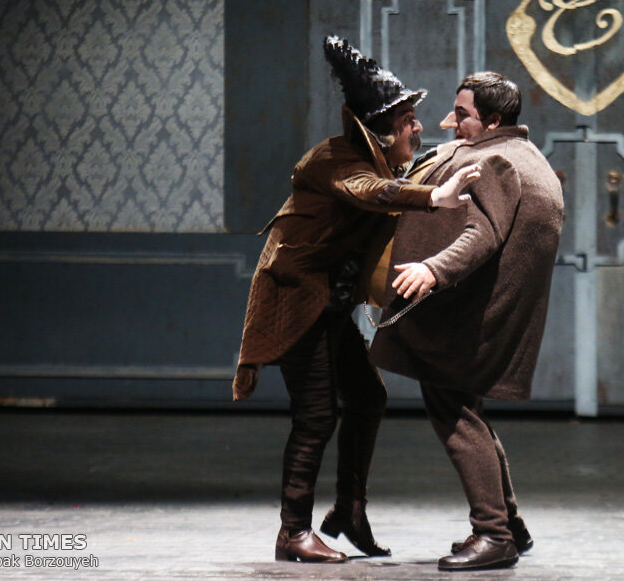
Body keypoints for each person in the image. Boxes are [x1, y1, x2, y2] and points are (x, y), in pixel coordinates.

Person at [232, 36, 480, 564]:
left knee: (367, 396)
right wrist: (434, 197)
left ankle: (349, 509)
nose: (418, 127)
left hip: (329, 306)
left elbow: (389, 186)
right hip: (296, 303)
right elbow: (368, 190)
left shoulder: (381, 163)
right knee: (316, 415)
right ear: (382, 131)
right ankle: (292, 532)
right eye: (408, 120)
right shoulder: (335, 161)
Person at [368, 72, 564, 571]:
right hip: (481, 311)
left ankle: (493, 534)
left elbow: (485, 232)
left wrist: (434, 269)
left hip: (469, 315)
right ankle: (510, 524)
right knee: (466, 408)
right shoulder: (524, 154)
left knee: (455, 411)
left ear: (493, 120)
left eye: (462, 114)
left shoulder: (495, 161)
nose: (448, 122)